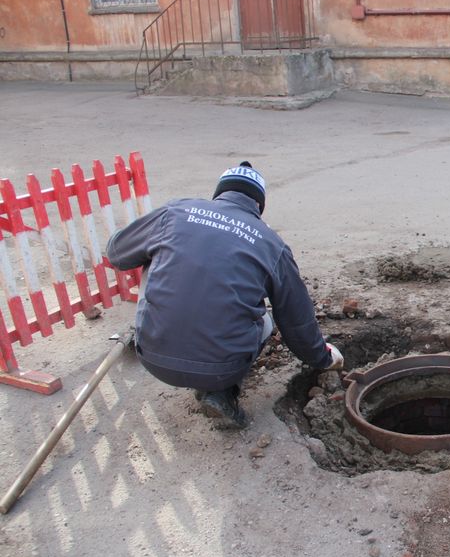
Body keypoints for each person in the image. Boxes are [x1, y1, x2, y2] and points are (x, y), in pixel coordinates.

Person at [106, 161, 343, 428]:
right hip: (221, 371)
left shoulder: (175, 212)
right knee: (265, 320)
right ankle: (222, 393)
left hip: (153, 358)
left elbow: (116, 254)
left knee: (154, 263)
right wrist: (322, 357)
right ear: (259, 205)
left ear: (219, 193)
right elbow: (296, 319)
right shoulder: (270, 243)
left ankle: (156, 330)